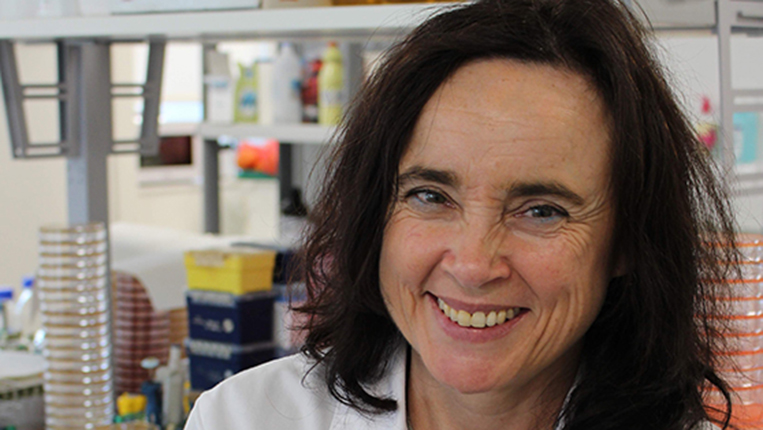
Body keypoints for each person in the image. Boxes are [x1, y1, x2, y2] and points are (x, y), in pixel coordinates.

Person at [184, 0, 741, 429]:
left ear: (627, 241)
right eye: (431, 196)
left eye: (541, 211)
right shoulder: (242, 418)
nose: (473, 265)